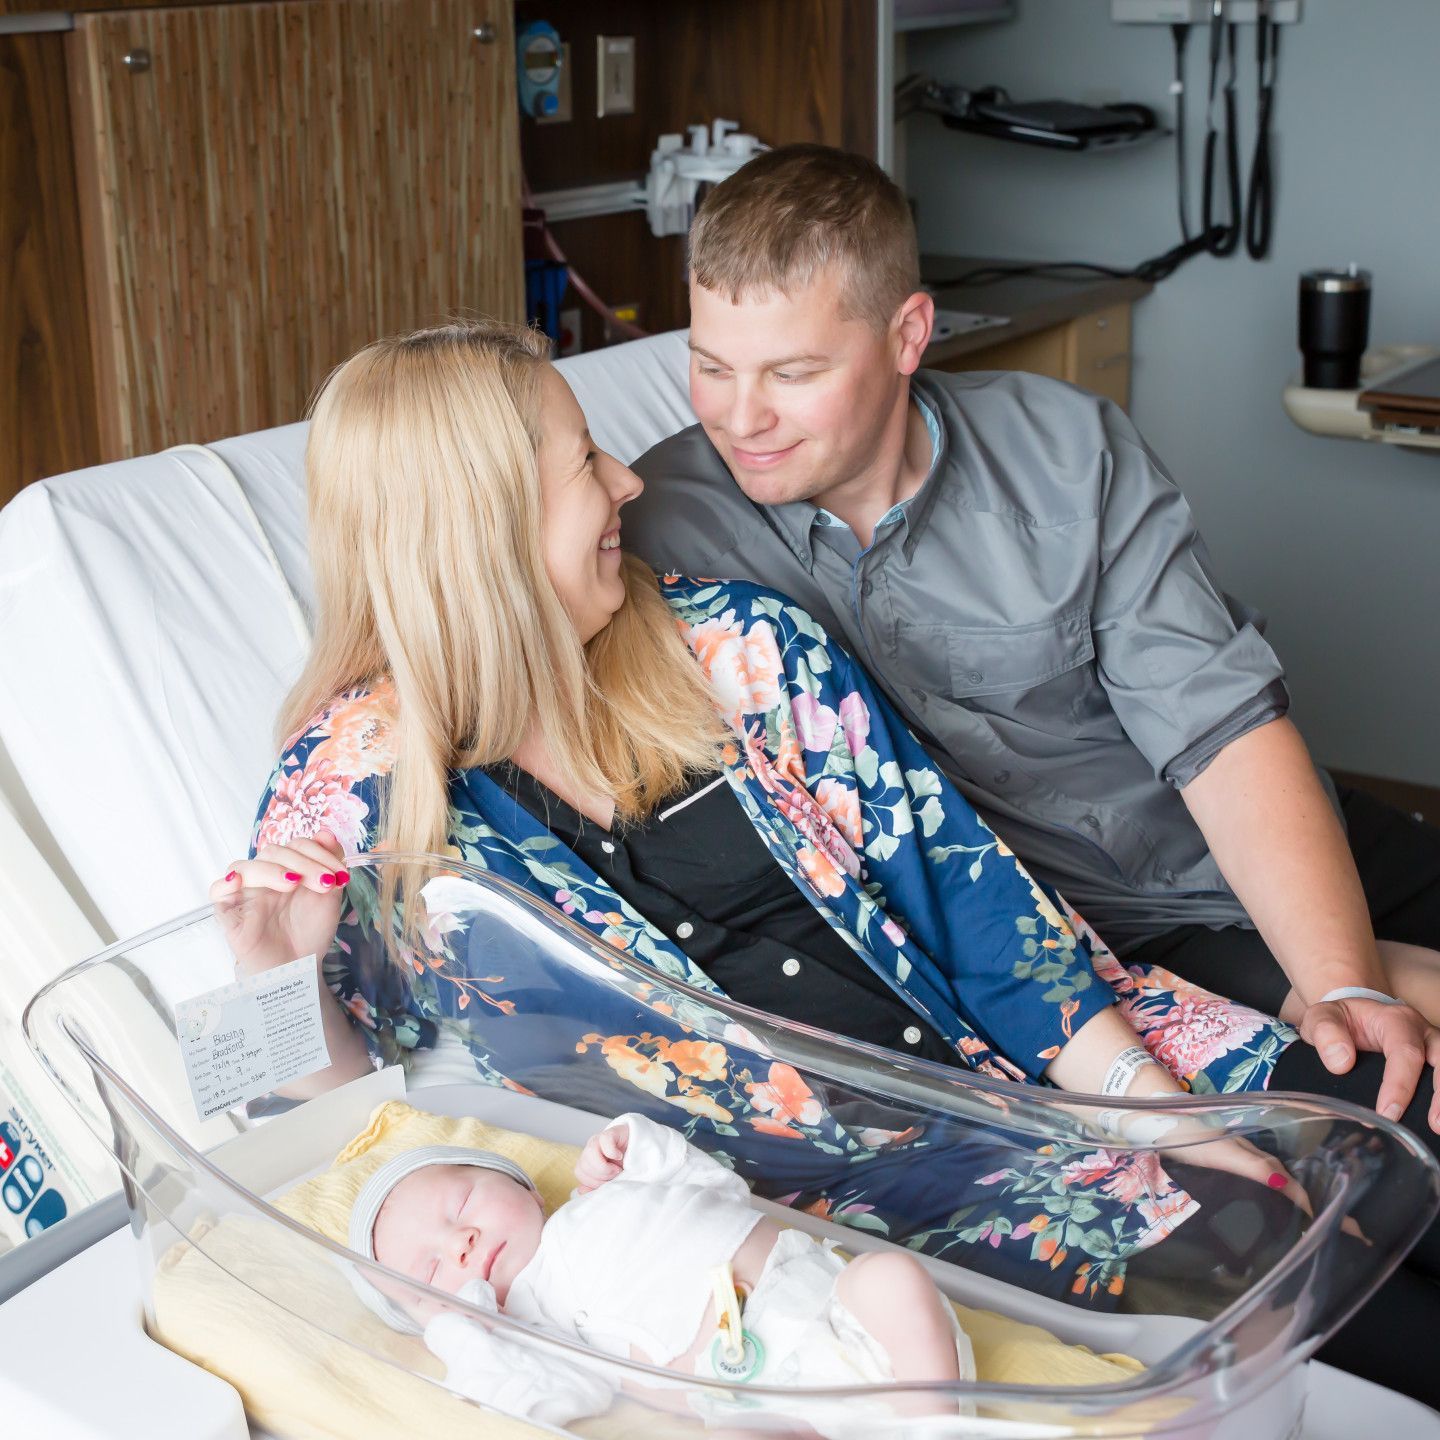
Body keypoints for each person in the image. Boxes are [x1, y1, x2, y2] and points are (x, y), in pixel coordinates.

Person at [214, 321, 1431, 1402]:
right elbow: (322, 1131)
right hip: (855, 1201)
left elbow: (972, 904)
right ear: (480, 526)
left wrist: (1168, 1124)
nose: (629, 481)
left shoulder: (736, 648)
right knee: (1324, 1294)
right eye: (584, 462)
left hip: (1071, 1052)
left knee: (1393, 1138)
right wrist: (276, 984)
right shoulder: (348, 798)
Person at [619, 143, 1440, 1144]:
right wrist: (1339, 992)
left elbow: (1221, 735)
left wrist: (1340, 973)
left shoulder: (1065, 454)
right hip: (1122, 937)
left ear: (908, 333)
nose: (740, 418)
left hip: (1269, 829)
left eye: (792, 373)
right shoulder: (657, 523)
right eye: (709, 366)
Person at [347, 1111, 975, 1431]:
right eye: (430, 1273)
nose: (461, 1242)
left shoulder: (608, 1196)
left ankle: (935, 1423)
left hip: (842, 1314)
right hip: (757, 1402)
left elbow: (711, 1183)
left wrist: (628, 1144)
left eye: (460, 1205)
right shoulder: (534, 1327)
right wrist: (460, 1329)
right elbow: (543, 1394)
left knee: (890, 1276)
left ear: (528, 1189)